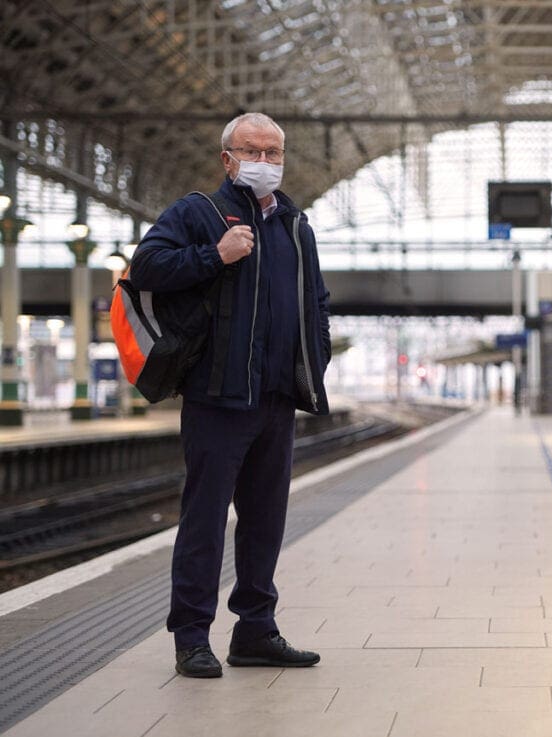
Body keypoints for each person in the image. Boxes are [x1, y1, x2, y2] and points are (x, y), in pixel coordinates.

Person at [131, 112, 332, 678]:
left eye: (273, 153)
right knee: (204, 520)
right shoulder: (197, 213)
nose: (264, 162)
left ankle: (255, 631)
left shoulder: (296, 227)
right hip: (217, 398)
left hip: (274, 400)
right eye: (252, 151)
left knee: (266, 521)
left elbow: (316, 301)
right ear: (228, 159)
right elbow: (145, 267)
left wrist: (317, 356)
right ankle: (192, 636)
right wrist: (213, 256)